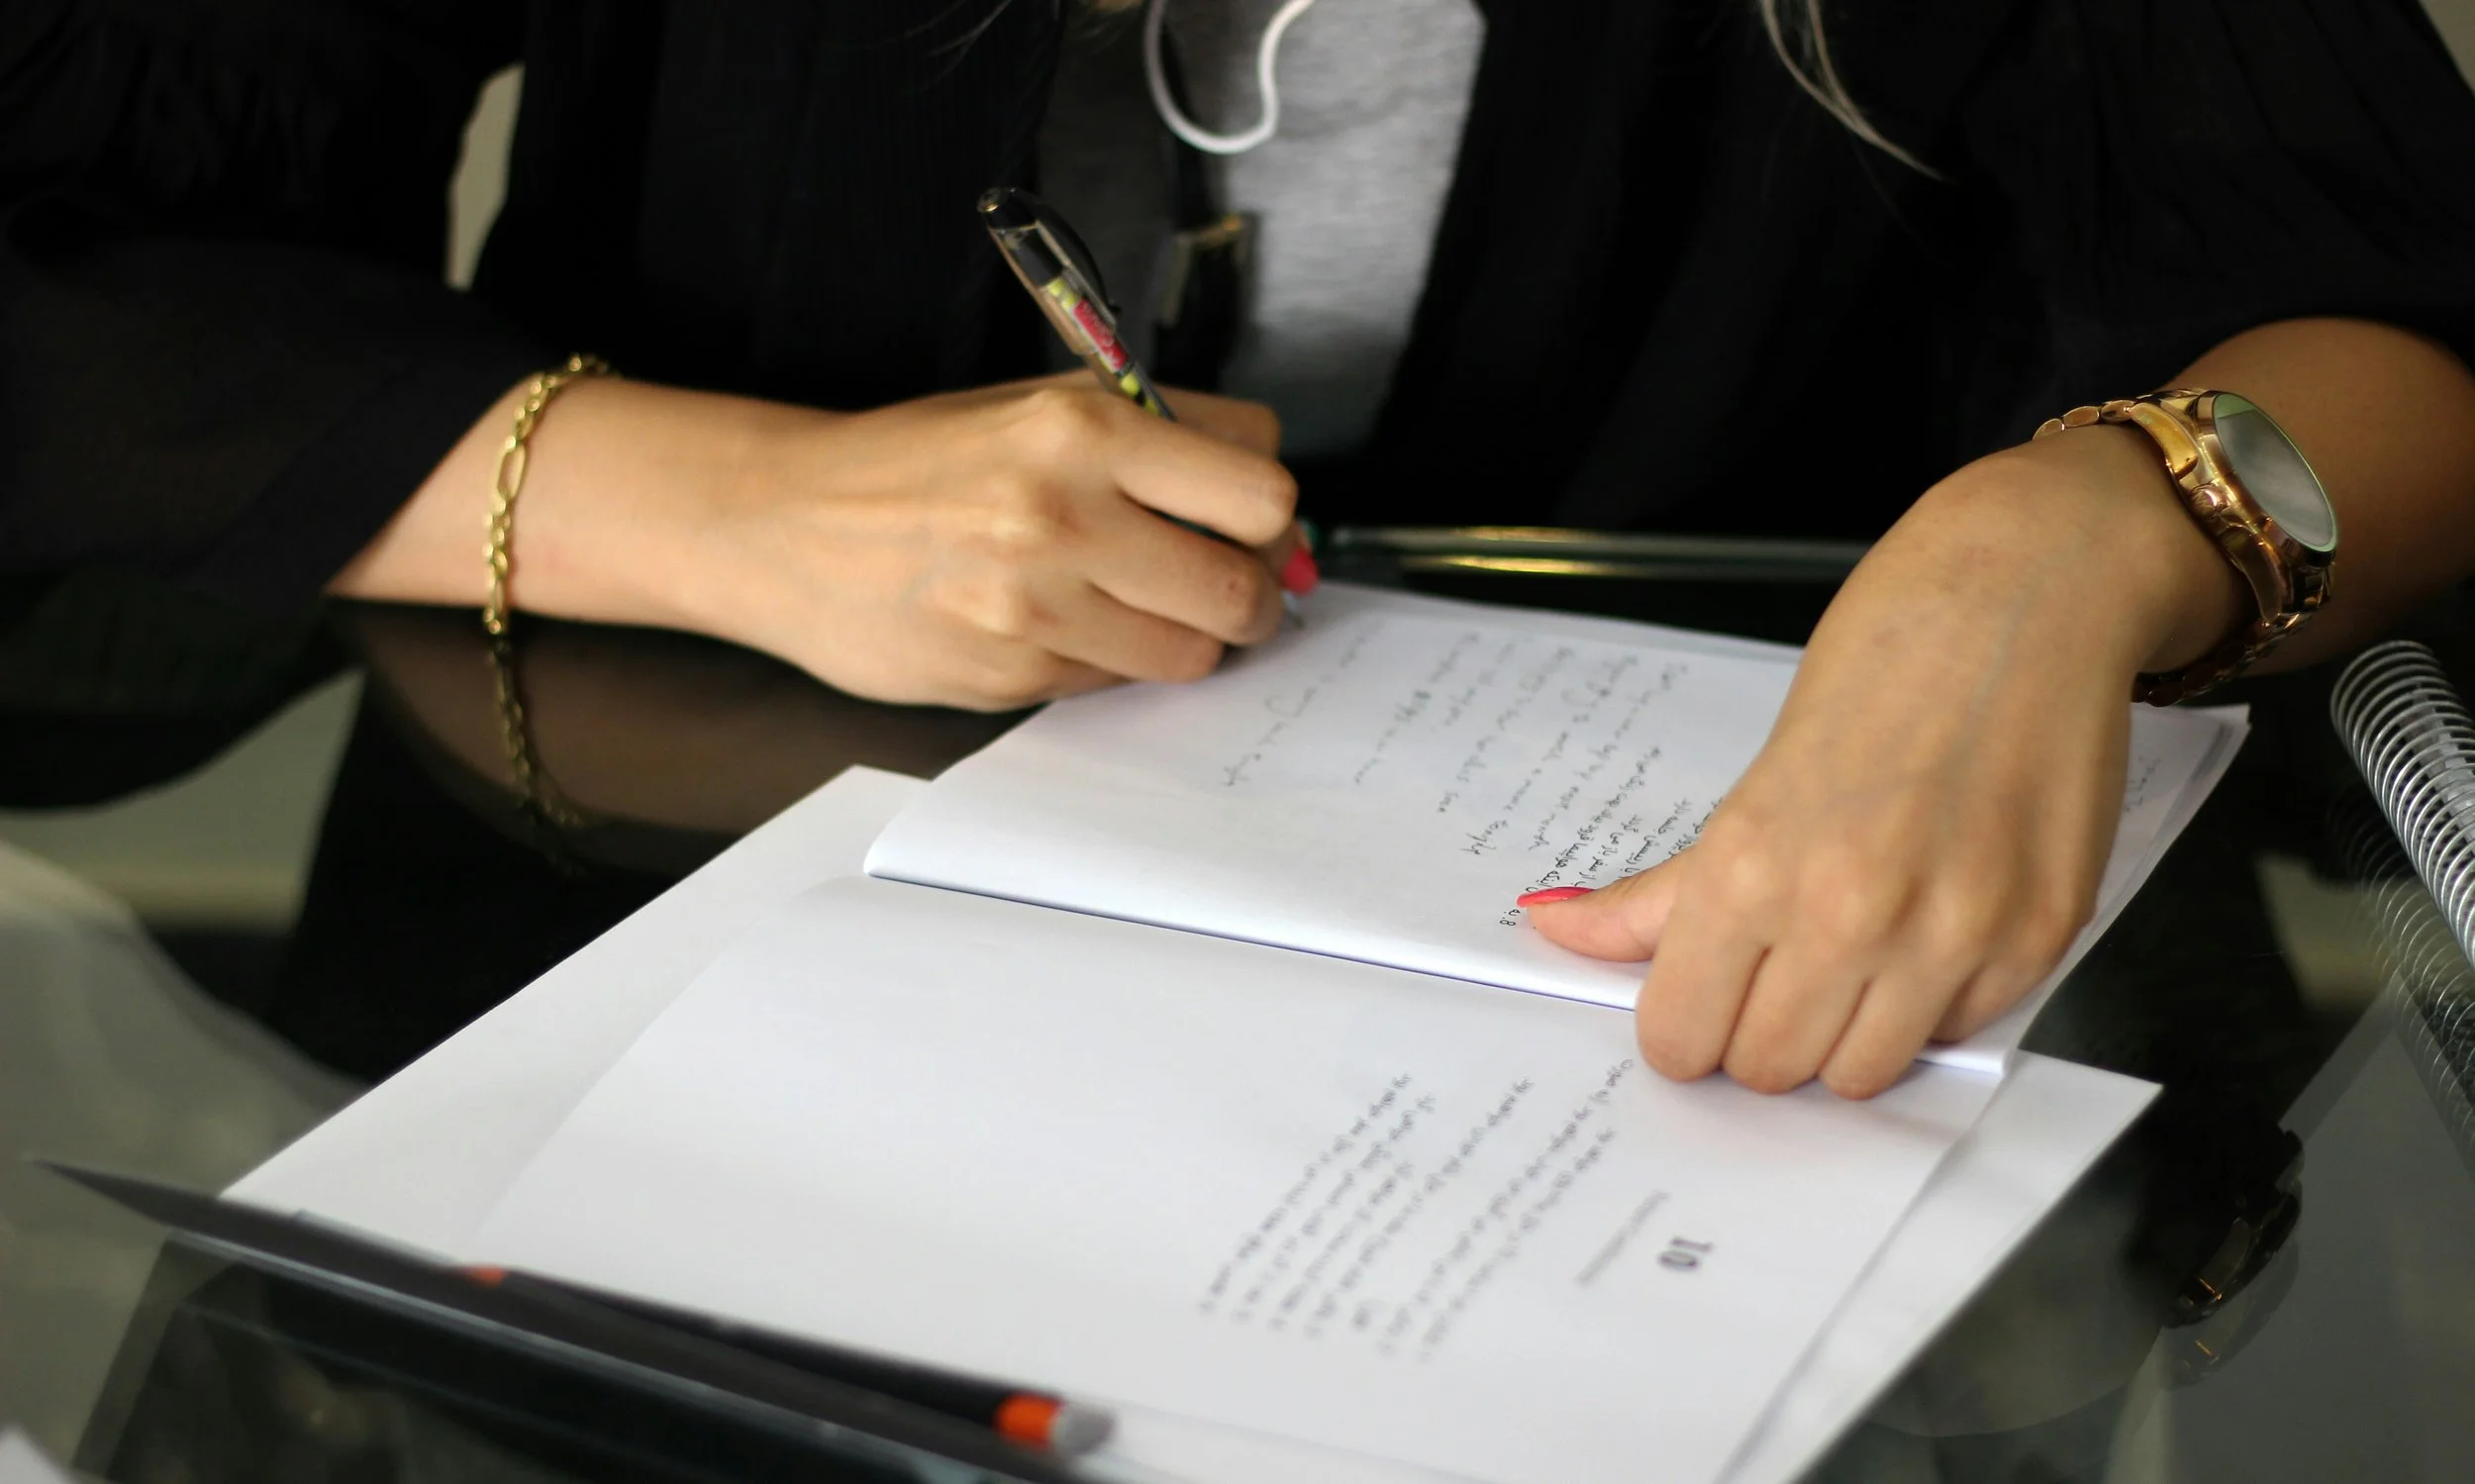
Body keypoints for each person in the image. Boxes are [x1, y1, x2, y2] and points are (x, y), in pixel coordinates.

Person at [7, 0, 2475, 1097]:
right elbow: (68, 255)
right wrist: (715, 495)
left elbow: (2405, 330)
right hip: (625, 959)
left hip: (1652, 1062)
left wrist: (2077, 529)